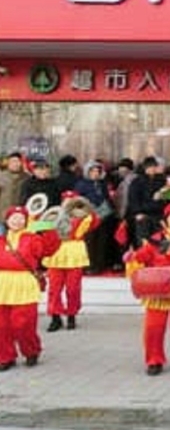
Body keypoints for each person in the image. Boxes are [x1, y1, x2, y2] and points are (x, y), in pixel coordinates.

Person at [125, 203, 170, 375]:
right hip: (157, 289)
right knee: (153, 328)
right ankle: (154, 360)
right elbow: (144, 255)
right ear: (166, 220)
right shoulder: (156, 239)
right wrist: (132, 257)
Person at [0, 206, 60, 370]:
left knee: (23, 323)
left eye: (21, 218)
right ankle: (5, 357)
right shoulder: (1, 238)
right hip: (2, 284)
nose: (17, 221)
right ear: (7, 220)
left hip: (24, 284)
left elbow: (49, 249)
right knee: (2, 325)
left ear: (26, 221)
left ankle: (31, 351)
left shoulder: (32, 238)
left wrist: (47, 228)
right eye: (13, 217)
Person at [43, 191, 100, 332]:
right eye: (66, 201)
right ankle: (55, 317)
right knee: (54, 289)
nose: (68, 204)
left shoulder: (84, 218)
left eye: (71, 201)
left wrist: (86, 207)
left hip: (75, 253)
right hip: (55, 253)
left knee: (73, 289)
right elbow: (36, 227)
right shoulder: (53, 215)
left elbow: (95, 220)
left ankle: (71, 315)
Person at [0, 153, 30, 235]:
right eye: (13, 161)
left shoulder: (27, 178)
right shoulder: (1, 176)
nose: (15, 164)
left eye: (18, 161)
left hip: (19, 219)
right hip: (2, 216)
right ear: (8, 163)